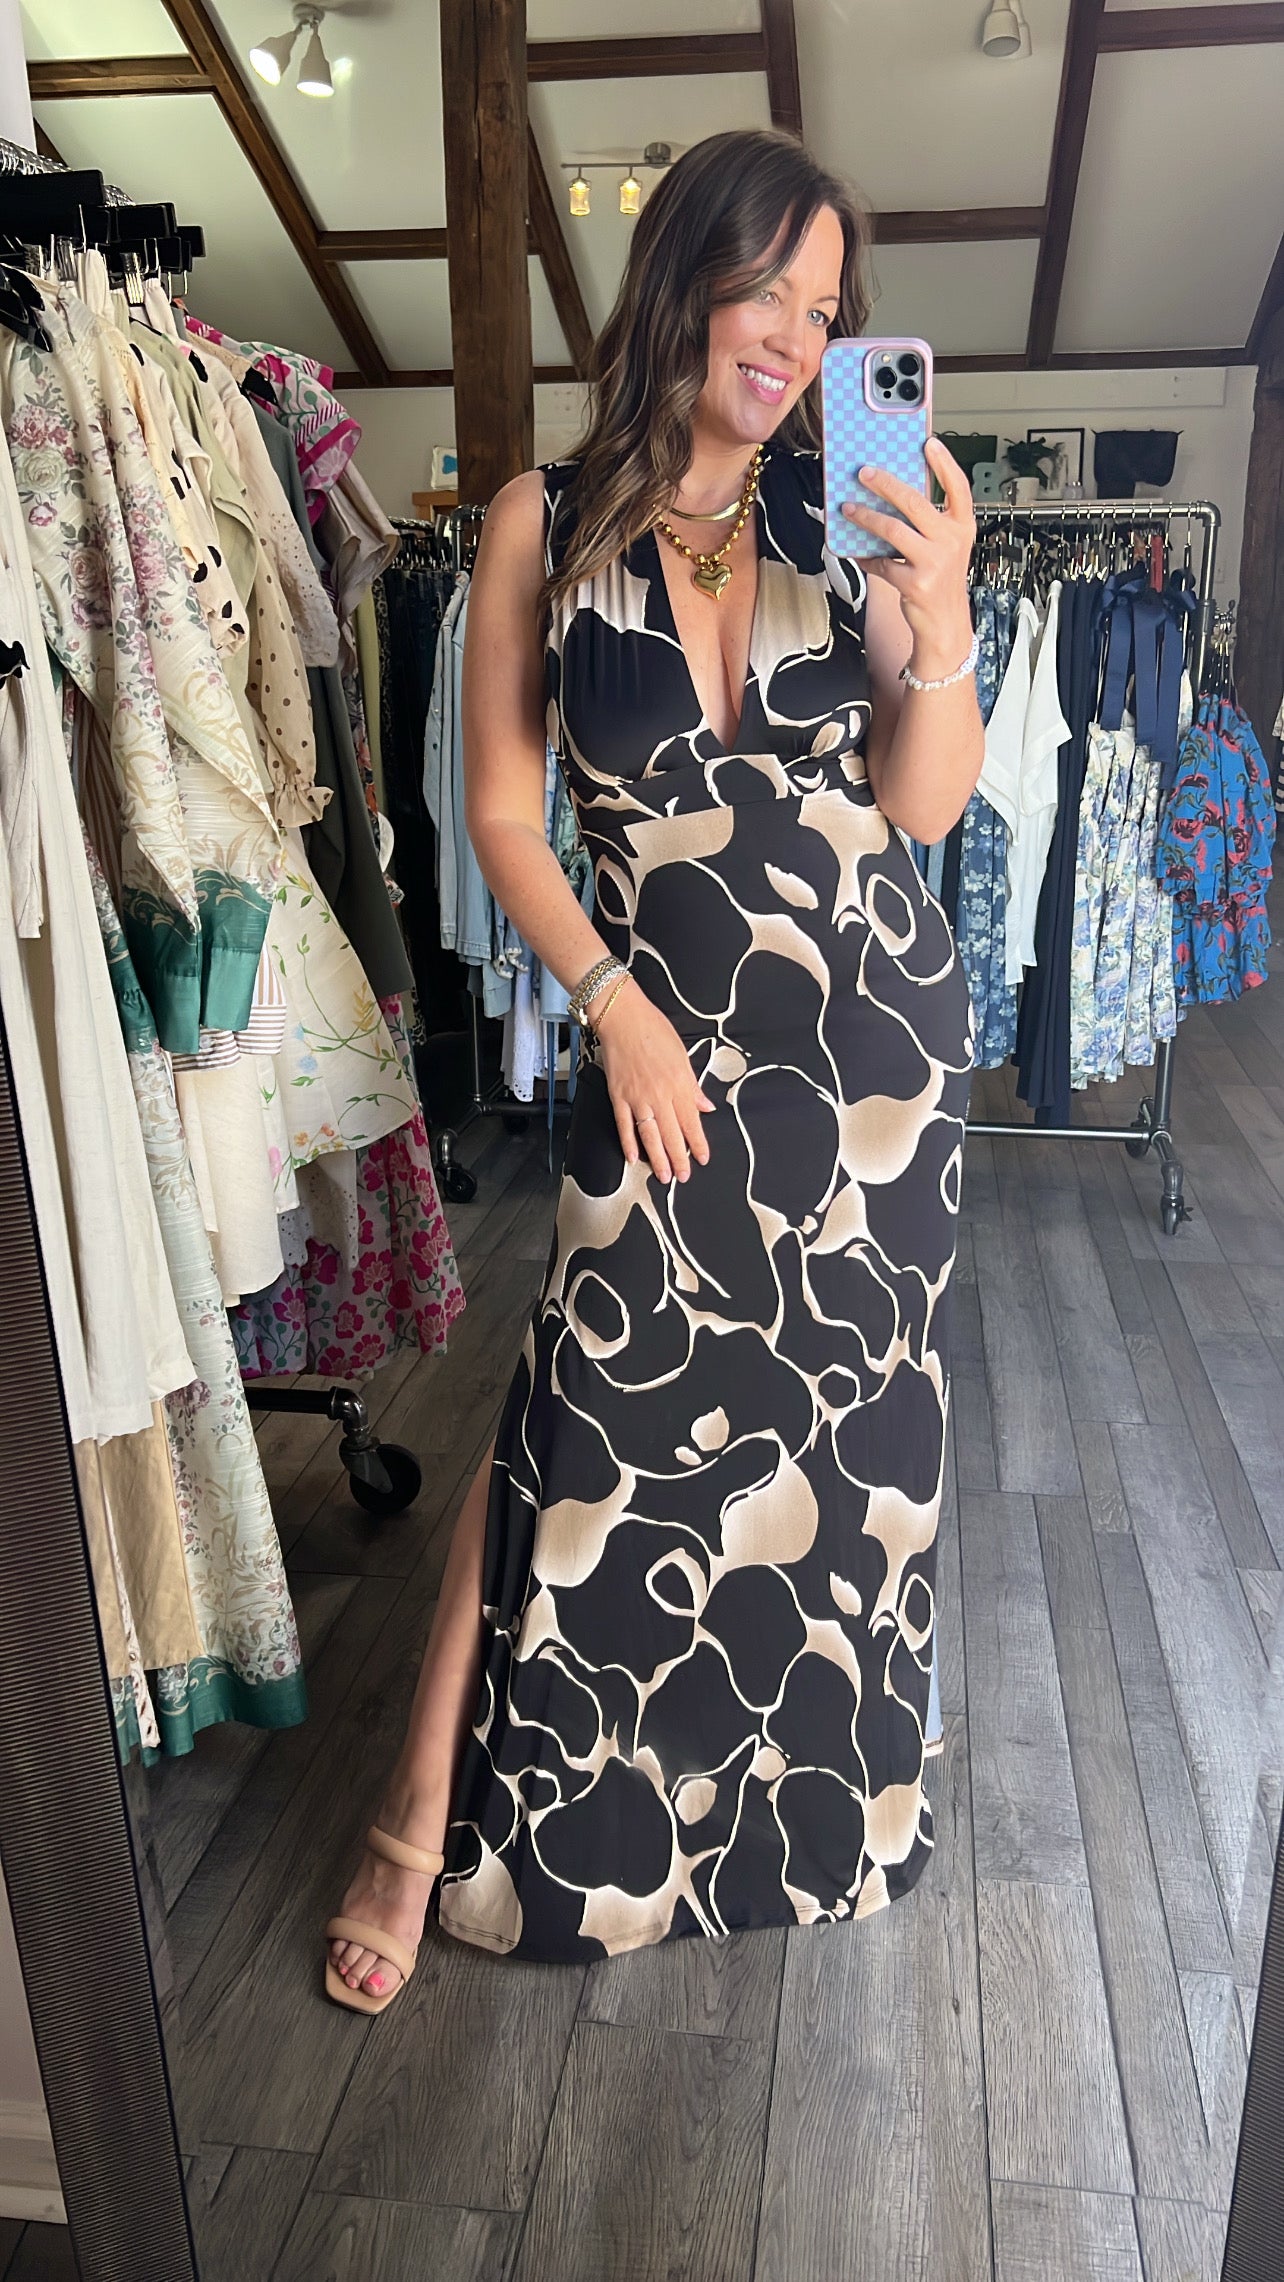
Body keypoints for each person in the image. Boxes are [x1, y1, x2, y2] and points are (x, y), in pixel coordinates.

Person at [326, 127, 981, 2009]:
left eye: (828, 313)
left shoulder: (848, 515)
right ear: (684, 270)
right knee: (586, 1415)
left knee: (841, 1455)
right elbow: (503, 811)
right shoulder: (541, 523)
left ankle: (807, 1819)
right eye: (767, 288)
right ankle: (437, 1813)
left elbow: (923, 803)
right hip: (660, 1052)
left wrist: (938, 622)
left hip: (869, 1072)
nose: (793, 338)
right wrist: (613, 1005)